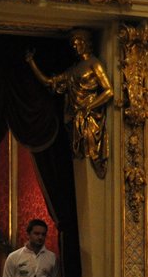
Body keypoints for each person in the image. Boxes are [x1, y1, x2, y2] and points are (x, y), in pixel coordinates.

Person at [26, 28, 114, 172]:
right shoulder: (73, 70)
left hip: (89, 116)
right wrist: (31, 62)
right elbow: (48, 81)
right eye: (73, 45)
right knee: (80, 157)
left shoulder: (94, 64)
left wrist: (90, 106)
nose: (75, 47)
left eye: (78, 43)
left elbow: (109, 91)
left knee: (89, 155)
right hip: (74, 116)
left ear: (86, 43)